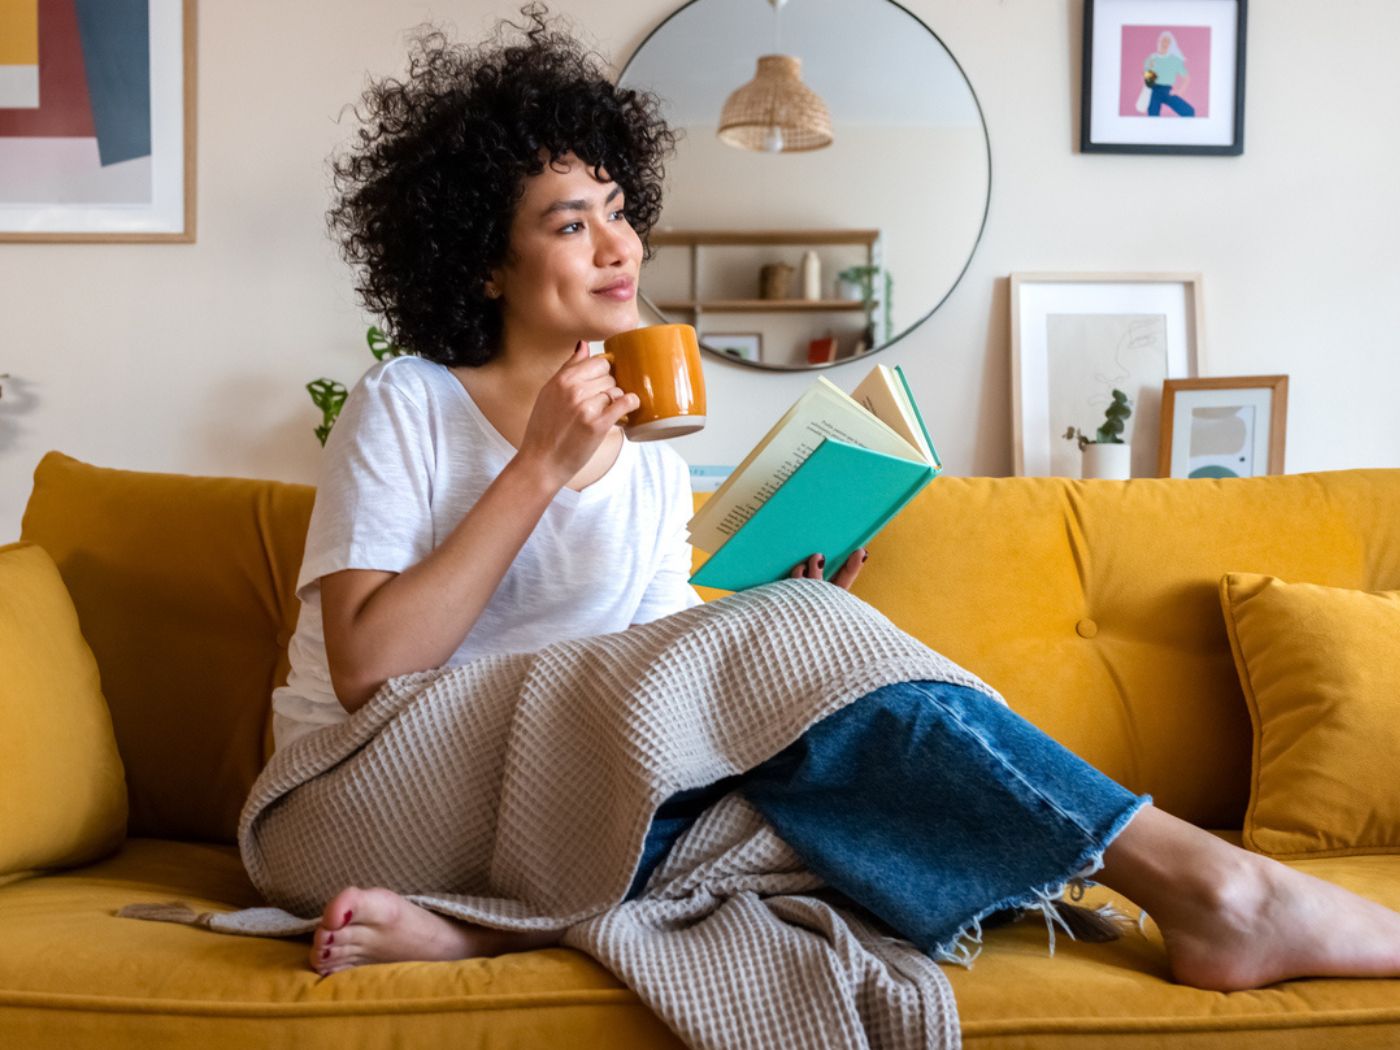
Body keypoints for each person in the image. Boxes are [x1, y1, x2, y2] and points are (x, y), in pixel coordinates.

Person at [274, 2, 1400, 992]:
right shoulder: (408, 402)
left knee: (832, 781)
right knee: (822, 737)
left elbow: (646, 698)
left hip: (551, 807)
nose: (618, 247)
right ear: (482, 261)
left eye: (618, 209)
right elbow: (373, 665)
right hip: (359, 799)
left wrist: (786, 607)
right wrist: (535, 469)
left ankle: (489, 933)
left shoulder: (653, 463)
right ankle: (1218, 889)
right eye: (569, 223)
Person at [1143, 30, 1196, 117]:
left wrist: (1179, 92)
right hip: (1154, 91)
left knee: (1189, 112)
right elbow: (1149, 82)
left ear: (1171, 44)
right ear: (1158, 41)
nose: (1164, 43)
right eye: (1162, 40)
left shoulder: (1175, 60)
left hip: (1167, 90)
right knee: (1152, 116)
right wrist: (1150, 69)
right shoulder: (1151, 58)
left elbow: (1187, 78)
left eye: (1167, 41)